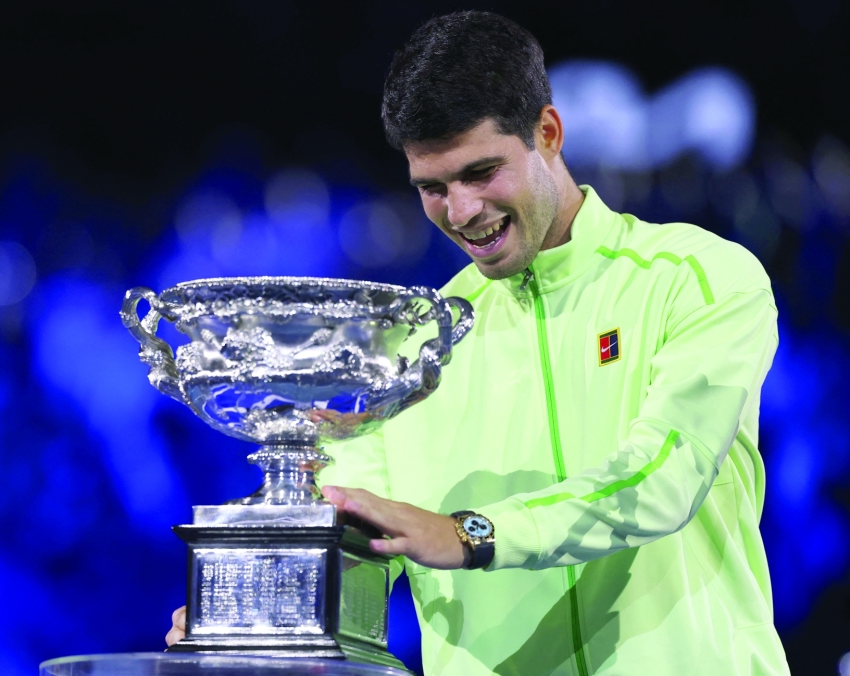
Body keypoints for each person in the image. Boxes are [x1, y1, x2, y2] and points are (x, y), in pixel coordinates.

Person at [169, 10, 790, 675]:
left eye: (481, 172)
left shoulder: (700, 278)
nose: (461, 212)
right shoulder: (415, 350)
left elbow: (664, 477)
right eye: (431, 188)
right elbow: (351, 539)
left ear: (547, 134)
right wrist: (251, 610)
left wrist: (469, 534)